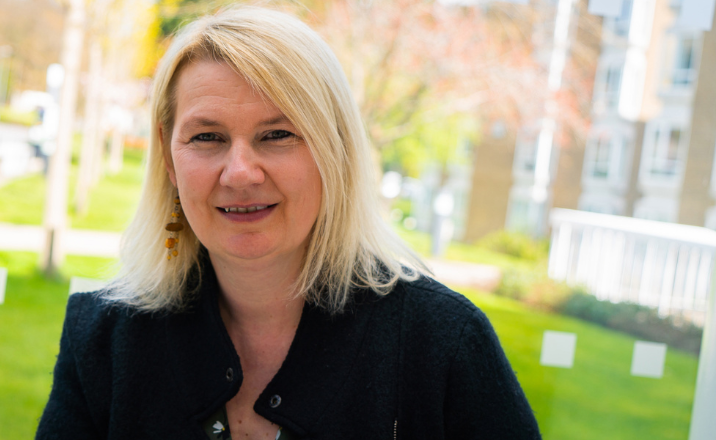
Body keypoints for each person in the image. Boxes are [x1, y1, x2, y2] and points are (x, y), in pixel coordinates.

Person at [36, 6, 541, 440]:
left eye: (276, 134)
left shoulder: (443, 344)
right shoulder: (102, 340)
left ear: (335, 152)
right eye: (207, 138)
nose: (239, 173)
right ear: (170, 160)